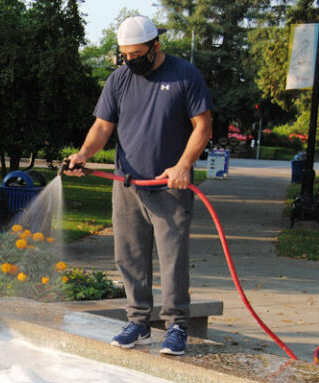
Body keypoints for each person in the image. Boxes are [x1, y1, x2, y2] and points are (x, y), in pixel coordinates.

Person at [63, 15, 213, 356]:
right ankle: (139, 323)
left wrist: (183, 165)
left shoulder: (184, 75)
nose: (130, 61)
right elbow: (102, 127)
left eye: (136, 54)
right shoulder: (119, 79)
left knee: (172, 259)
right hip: (128, 185)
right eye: (124, 55)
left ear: (155, 46)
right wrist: (83, 154)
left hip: (169, 187)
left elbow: (202, 127)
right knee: (129, 256)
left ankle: (176, 325)